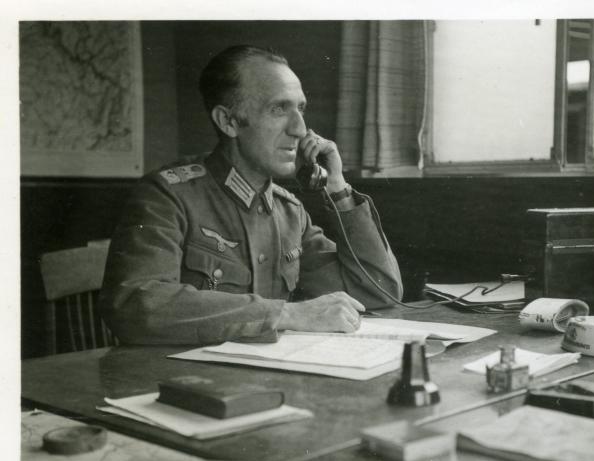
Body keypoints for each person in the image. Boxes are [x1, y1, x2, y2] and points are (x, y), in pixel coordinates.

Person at [100, 45, 403, 345]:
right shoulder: (167, 197)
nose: (300, 129)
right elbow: (135, 306)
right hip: (181, 384)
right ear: (228, 122)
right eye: (279, 109)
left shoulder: (289, 213)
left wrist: (338, 188)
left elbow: (379, 292)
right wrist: (285, 314)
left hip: (264, 385)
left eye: (301, 108)